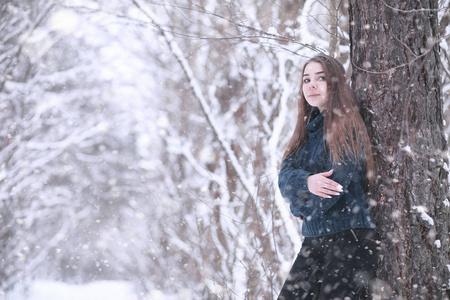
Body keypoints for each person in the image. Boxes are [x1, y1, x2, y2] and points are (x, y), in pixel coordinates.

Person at [277, 54, 380, 300]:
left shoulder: (347, 127)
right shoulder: (305, 132)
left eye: (320, 78)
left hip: (350, 238)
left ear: (335, 84)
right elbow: (284, 178)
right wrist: (307, 182)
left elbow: (333, 189)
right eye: (306, 79)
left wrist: (300, 200)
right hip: (315, 239)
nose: (311, 85)